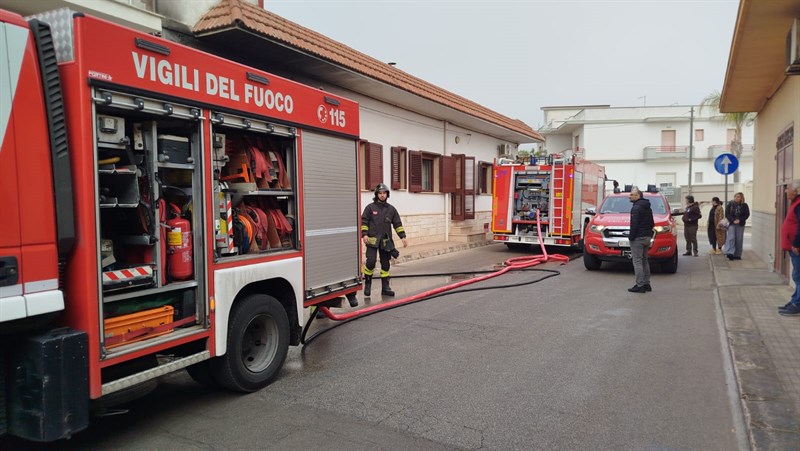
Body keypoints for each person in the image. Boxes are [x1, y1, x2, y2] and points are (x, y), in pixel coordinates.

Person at [361, 183, 408, 297]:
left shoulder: (391, 209)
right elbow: (364, 222)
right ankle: (367, 284)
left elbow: (397, 224)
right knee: (371, 262)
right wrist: (364, 235)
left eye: (384, 193)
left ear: (387, 195)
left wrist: (403, 237)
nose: (382, 195)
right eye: (380, 193)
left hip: (385, 242)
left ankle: (385, 288)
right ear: (376, 195)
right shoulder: (370, 208)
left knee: (385, 264)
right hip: (371, 241)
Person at [778, 179, 800, 316]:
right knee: (797, 275)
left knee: (798, 276)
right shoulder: (795, 203)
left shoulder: (798, 204)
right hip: (793, 247)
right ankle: (794, 300)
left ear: (796, 190)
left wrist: (797, 244)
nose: (786, 191)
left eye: (788, 189)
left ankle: (797, 304)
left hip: (796, 248)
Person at [628, 187, 654, 293]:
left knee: (637, 261)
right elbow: (652, 223)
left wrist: (631, 237)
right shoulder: (648, 207)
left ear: (638, 196)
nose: (629, 196)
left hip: (638, 238)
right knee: (644, 260)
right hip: (647, 237)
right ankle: (647, 283)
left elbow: (634, 225)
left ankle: (640, 285)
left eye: (632, 195)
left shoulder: (636, 208)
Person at [724, 192, 750, 260]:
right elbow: (727, 214)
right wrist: (733, 220)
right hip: (732, 223)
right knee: (731, 238)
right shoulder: (730, 204)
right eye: (735, 196)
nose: (736, 198)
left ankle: (737, 254)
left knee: (739, 239)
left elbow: (747, 214)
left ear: (741, 198)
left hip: (740, 224)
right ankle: (730, 253)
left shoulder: (744, 205)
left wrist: (740, 220)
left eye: (738, 197)